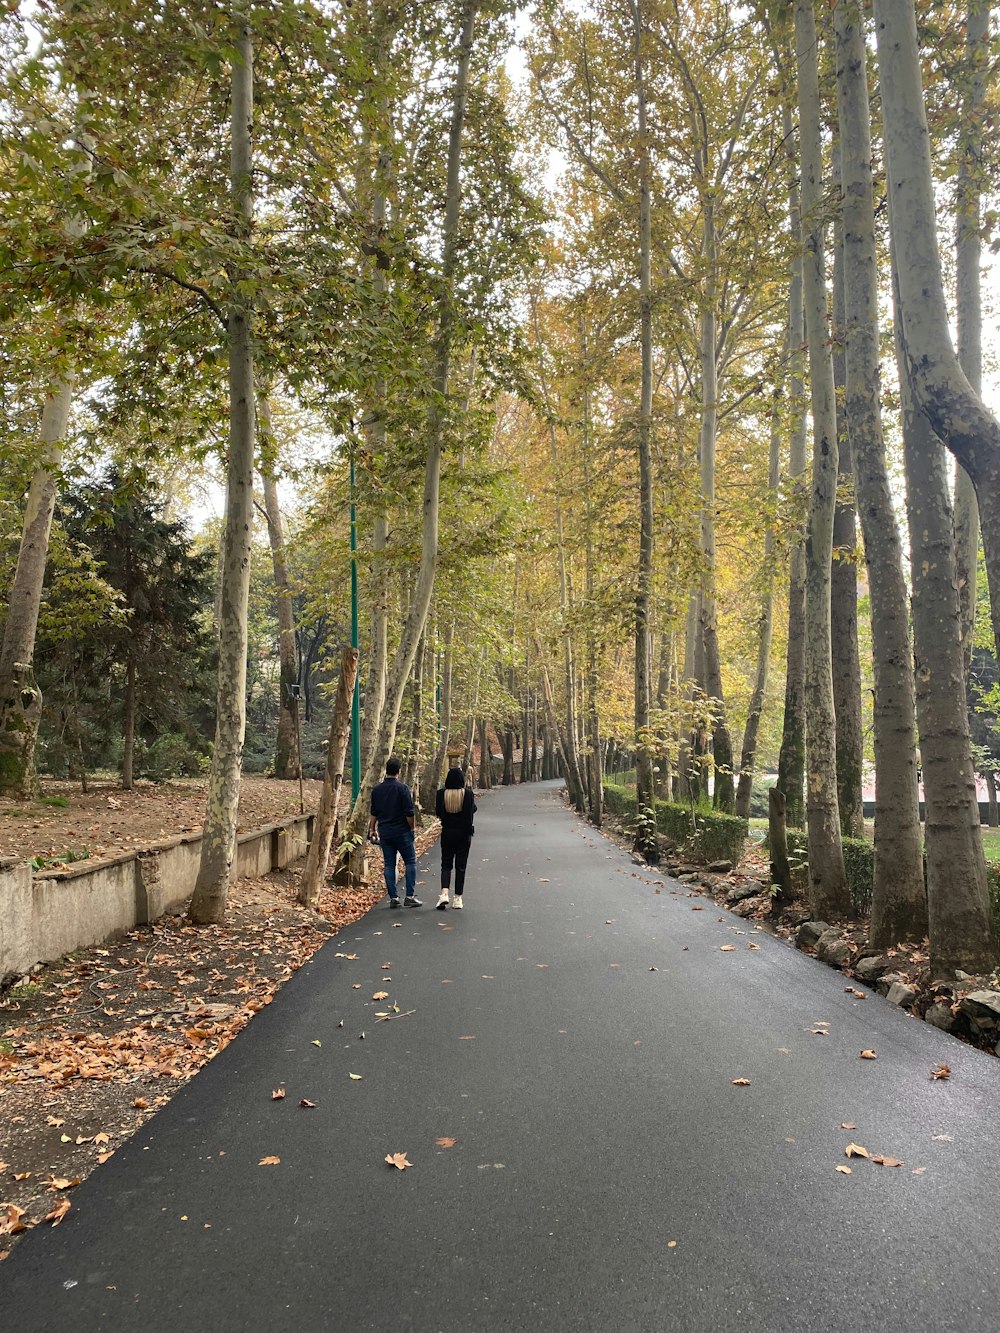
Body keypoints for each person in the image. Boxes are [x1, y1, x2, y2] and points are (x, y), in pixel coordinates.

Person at [368, 758, 422, 908]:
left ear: (386, 770)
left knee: (389, 865)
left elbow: (374, 812)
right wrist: (412, 828)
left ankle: (394, 898)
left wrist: (372, 829)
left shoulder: (377, 790)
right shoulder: (403, 789)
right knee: (410, 862)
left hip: (385, 831)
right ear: (399, 771)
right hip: (402, 831)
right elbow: (409, 813)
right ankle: (409, 896)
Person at [435, 766, 476, 910]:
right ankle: (458, 898)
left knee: (446, 864)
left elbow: (438, 812)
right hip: (464, 834)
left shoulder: (441, 794)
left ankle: (444, 893)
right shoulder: (468, 794)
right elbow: (472, 810)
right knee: (461, 866)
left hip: (447, 832)